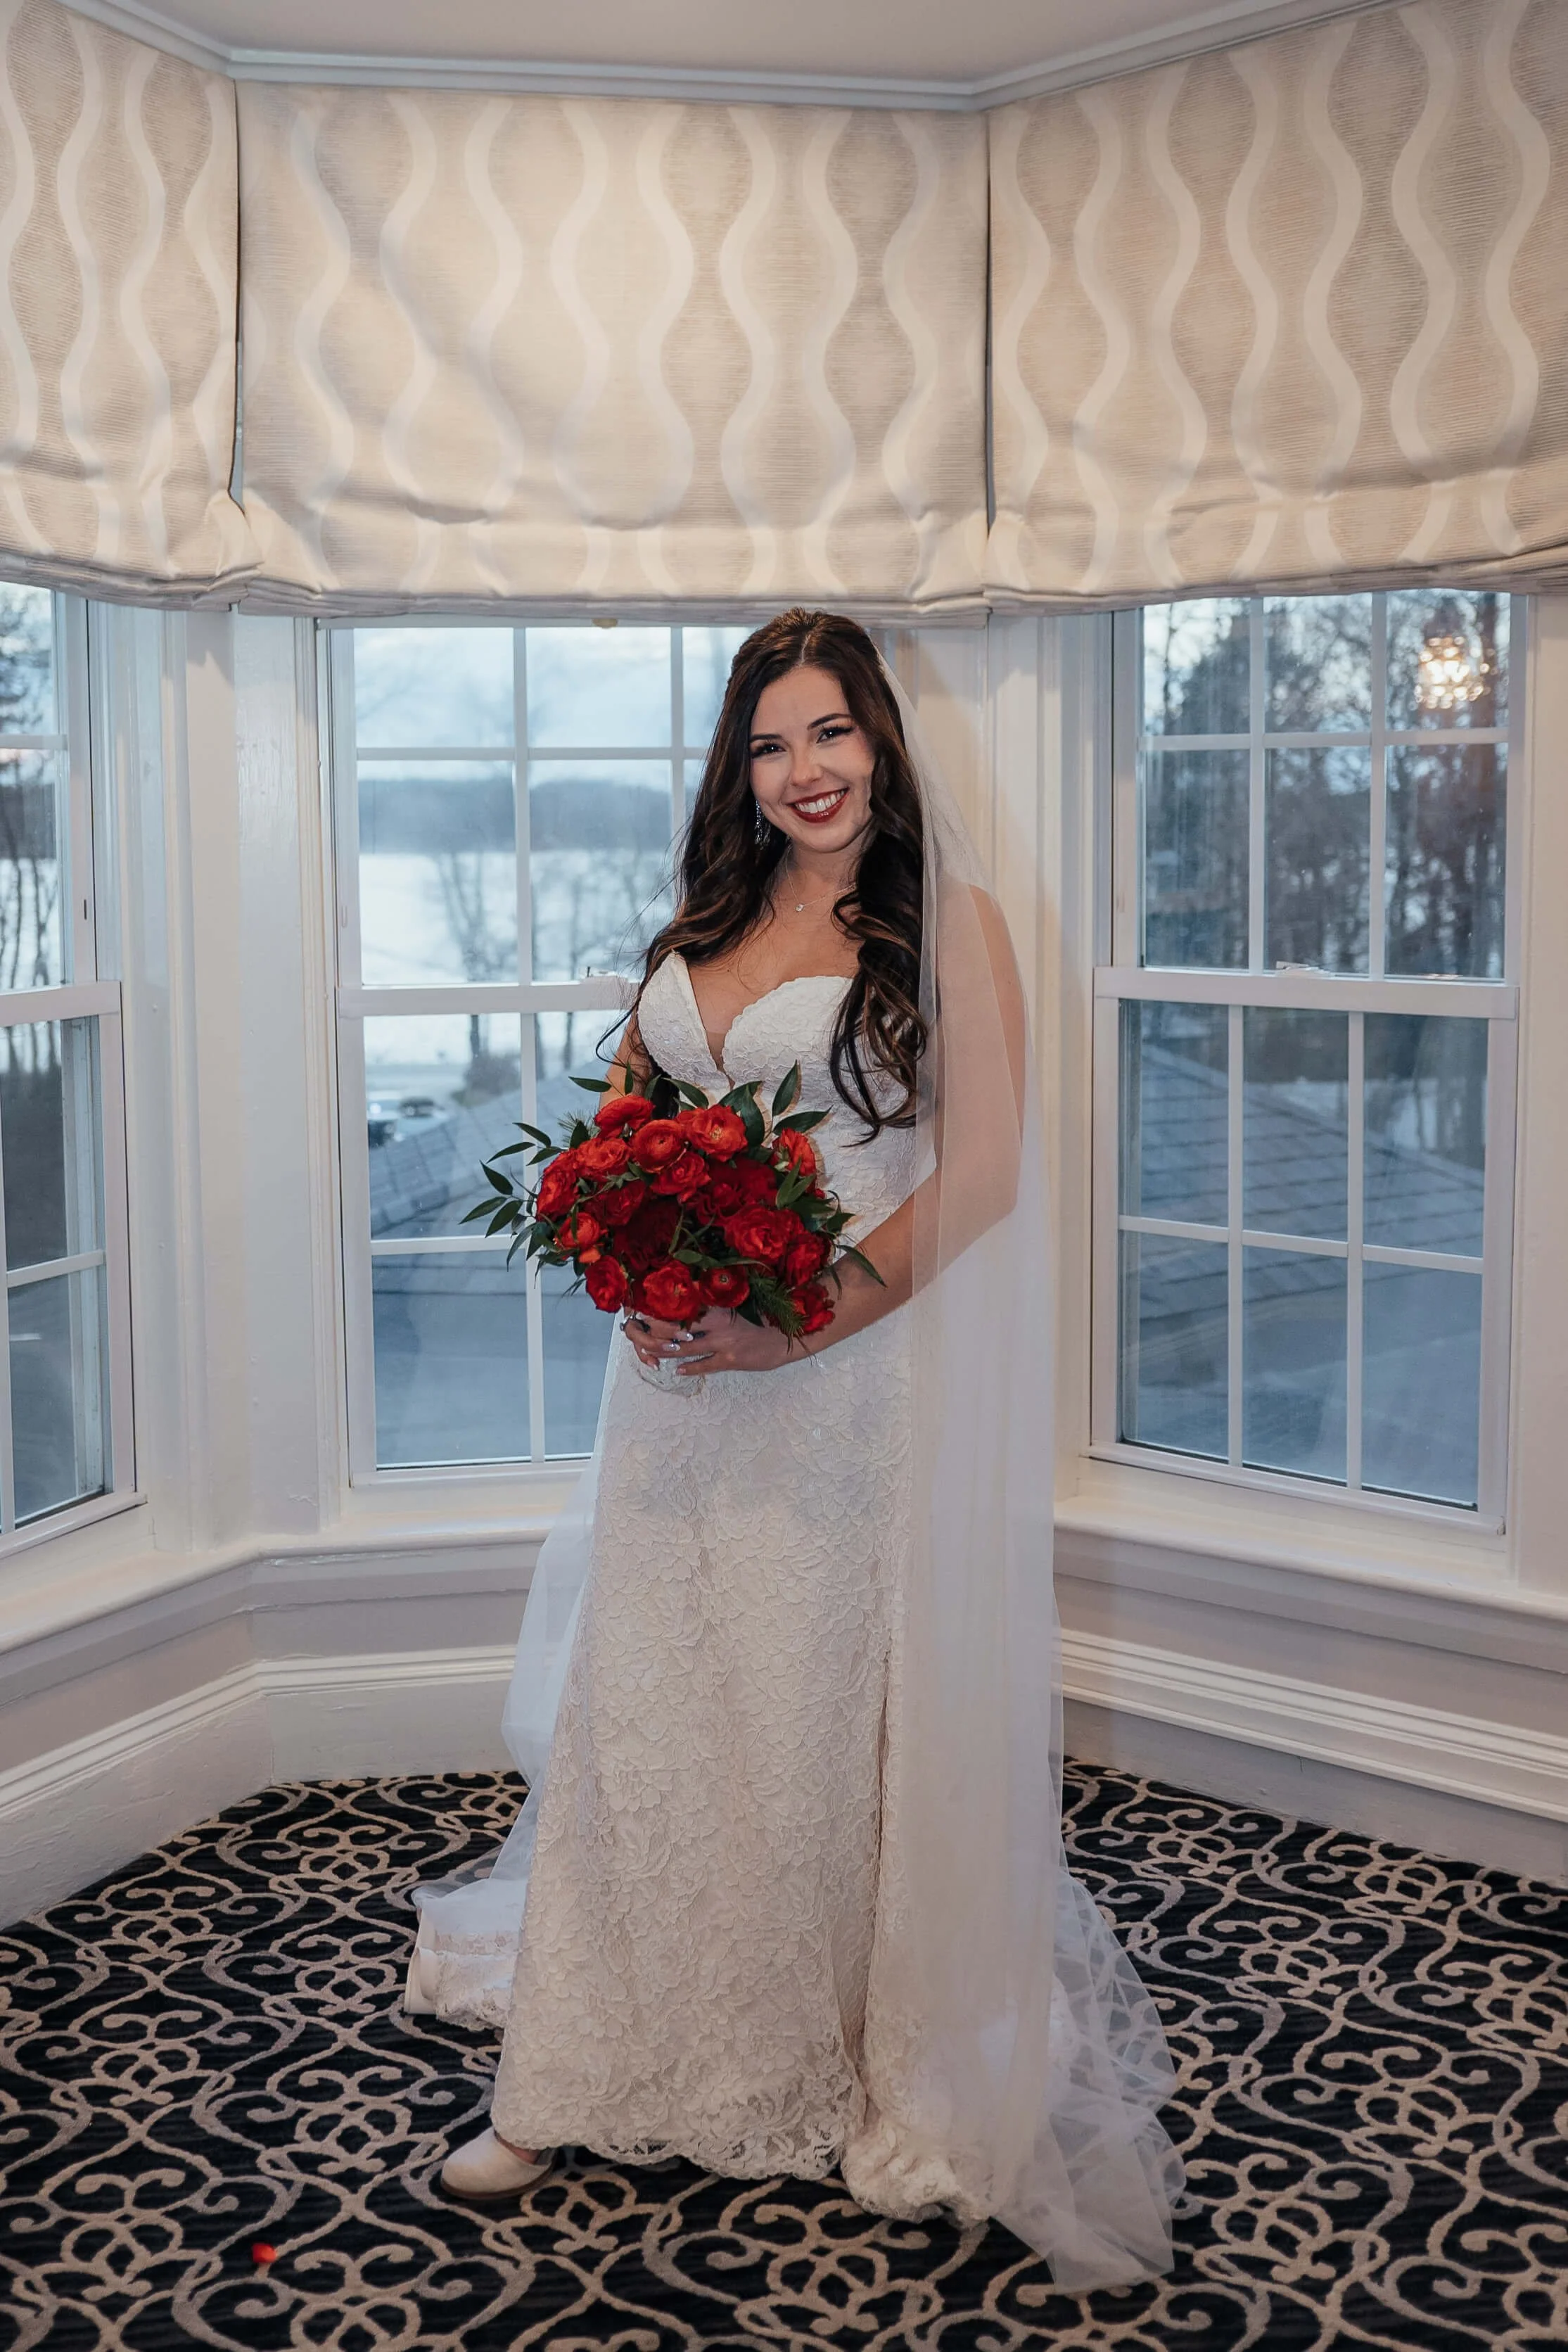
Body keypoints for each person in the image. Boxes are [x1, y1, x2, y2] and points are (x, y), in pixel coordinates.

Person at [414, 610, 1184, 2287]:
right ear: (738, 769)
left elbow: (976, 1180)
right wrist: (622, 1266)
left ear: (881, 741)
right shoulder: (703, 923)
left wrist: (799, 1319)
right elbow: (624, 1125)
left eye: (829, 732)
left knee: (811, 1714)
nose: (804, 771)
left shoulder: (950, 930)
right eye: (769, 744)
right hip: (676, 1389)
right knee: (648, 1702)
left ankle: (824, 2044)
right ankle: (562, 2070)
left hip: (840, 1381)